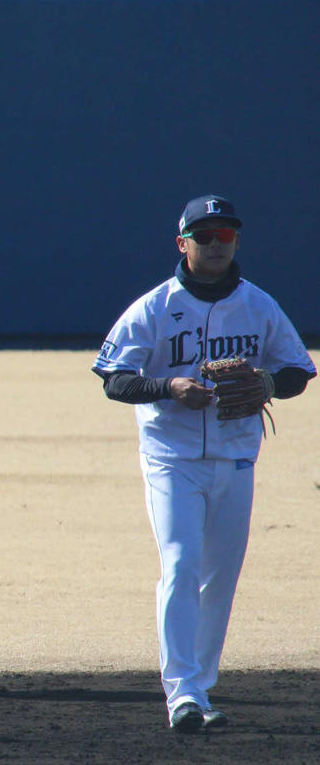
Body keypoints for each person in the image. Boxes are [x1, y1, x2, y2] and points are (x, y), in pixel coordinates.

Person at [92, 194, 314, 732]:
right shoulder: (153, 307)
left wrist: (265, 382)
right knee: (182, 563)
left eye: (225, 235)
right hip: (172, 459)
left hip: (236, 457)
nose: (216, 245)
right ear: (182, 243)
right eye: (205, 236)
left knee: (220, 576)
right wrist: (168, 386)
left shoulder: (259, 305)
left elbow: (298, 370)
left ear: (236, 241)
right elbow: (113, 378)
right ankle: (182, 693)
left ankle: (201, 685)